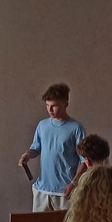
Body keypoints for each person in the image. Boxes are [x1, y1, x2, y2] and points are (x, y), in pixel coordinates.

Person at [18, 83, 87, 212]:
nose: (50, 109)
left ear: (65, 104)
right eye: (47, 105)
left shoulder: (76, 128)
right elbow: (36, 148)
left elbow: (84, 161)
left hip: (65, 193)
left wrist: (73, 184)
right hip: (42, 191)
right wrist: (27, 155)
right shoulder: (42, 125)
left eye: (54, 106)